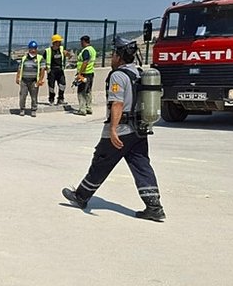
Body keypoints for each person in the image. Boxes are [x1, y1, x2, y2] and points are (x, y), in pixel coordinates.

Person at [61, 38, 166, 222]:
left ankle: (81, 196)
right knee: (141, 165)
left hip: (122, 129)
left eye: (113, 54)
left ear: (119, 56)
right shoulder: (138, 73)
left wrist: (113, 130)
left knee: (101, 161)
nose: (111, 58)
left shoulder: (118, 76)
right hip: (138, 130)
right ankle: (154, 206)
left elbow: (117, 103)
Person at [16, 41, 45, 117]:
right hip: (24, 80)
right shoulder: (24, 58)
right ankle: (22, 109)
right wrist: (18, 77)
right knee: (22, 95)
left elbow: (42, 70)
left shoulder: (40, 58)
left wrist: (40, 80)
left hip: (34, 81)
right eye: (31, 48)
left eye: (34, 48)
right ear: (29, 49)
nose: (33, 50)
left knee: (34, 96)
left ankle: (33, 109)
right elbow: (19, 68)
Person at [44, 34, 70, 106]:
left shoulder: (61, 49)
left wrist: (68, 54)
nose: (60, 43)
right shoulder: (48, 51)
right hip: (51, 71)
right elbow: (43, 60)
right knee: (51, 86)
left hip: (60, 70)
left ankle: (60, 99)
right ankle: (51, 100)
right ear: (54, 42)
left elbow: (68, 55)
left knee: (62, 85)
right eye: (58, 41)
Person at [74, 35, 97, 116]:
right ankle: (88, 107)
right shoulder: (92, 50)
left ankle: (82, 109)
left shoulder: (86, 50)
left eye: (81, 42)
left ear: (83, 41)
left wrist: (80, 74)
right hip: (90, 73)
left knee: (81, 91)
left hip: (84, 74)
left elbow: (85, 62)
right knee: (88, 91)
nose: (81, 44)